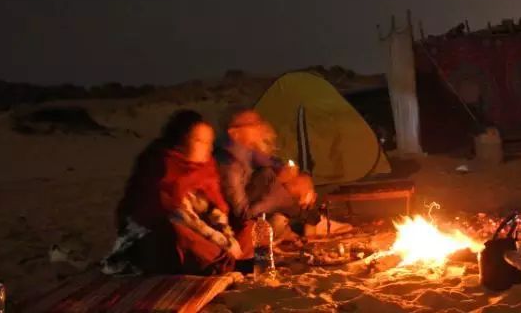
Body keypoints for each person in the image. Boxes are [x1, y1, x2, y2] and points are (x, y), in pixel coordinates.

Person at [102, 110, 249, 275]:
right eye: (200, 141)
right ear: (181, 141)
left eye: (209, 142)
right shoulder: (160, 166)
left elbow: (214, 208)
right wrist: (220, 240)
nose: (208, 147)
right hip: (153, 242)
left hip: (201, 235)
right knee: (177, 232)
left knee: (249, 226)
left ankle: (227, 259)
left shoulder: (205, 168)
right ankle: (224, 264)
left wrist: (226, 234)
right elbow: (178, 216)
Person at [215, 107, 352, 240]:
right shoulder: (229, 164)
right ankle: (312, 221)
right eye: (252, 124)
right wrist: (279, 194)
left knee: (289, 182)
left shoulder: (248, 152)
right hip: (248, 230)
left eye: (258, 123)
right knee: (271, 179)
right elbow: (243, 213)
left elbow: (274, 164)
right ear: (235, 133)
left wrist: (299, 179)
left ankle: (311, 223)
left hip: (266, 213)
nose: (259, 127)